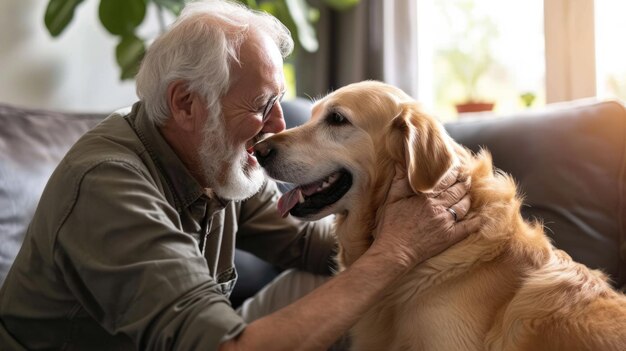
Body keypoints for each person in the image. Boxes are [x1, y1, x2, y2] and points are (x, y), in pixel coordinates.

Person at [0, 1, 479, 350]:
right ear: (186, 104)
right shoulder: (108, 185)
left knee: (335, 280)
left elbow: (314, 249)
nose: (277, 128)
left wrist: (426, 211)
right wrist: (396, 252)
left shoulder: (214, 159)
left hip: (209, 335)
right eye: (262, 105)